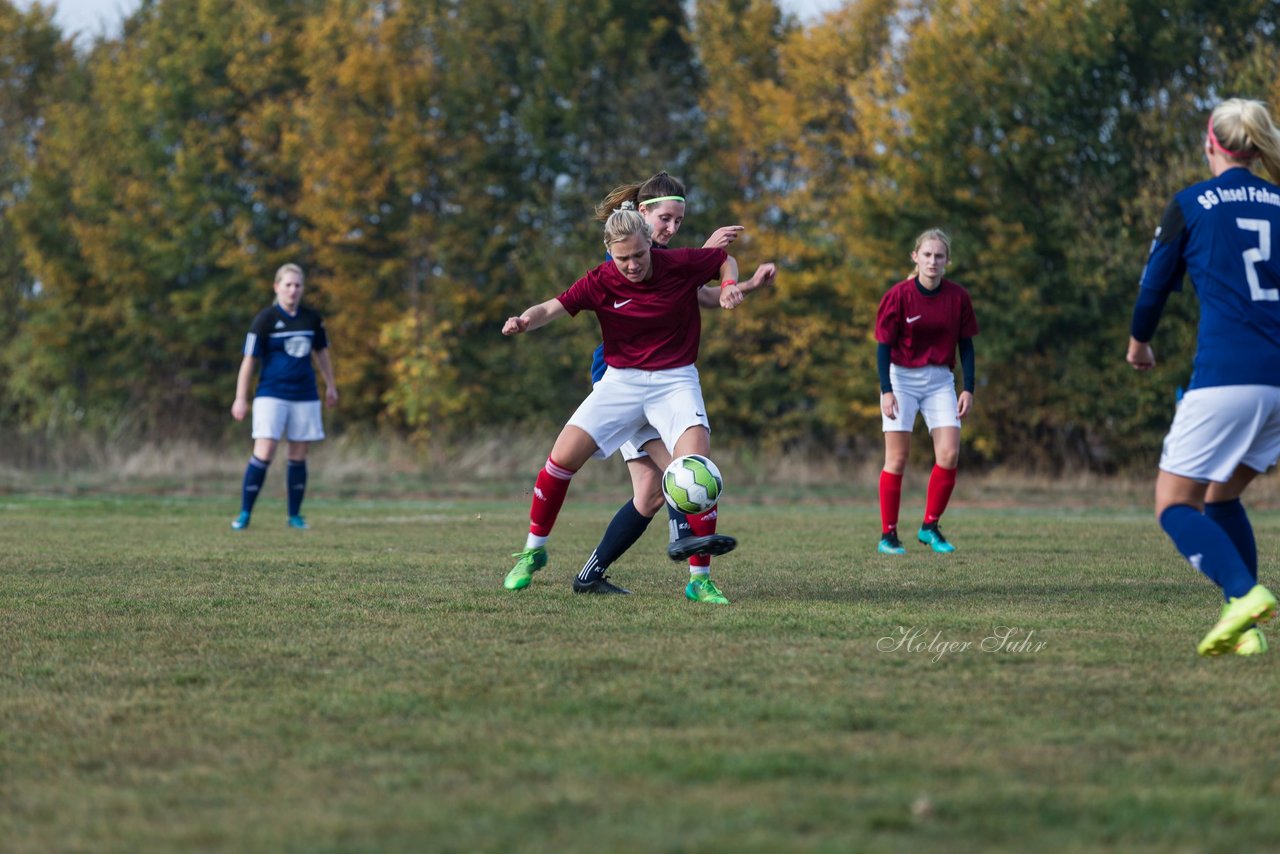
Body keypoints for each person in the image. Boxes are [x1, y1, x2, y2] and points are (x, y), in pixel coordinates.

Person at [502, 208, 776, 604]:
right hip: (621, 382)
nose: (631, 265)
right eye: (622, 258)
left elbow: (721, 259)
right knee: (559, 462)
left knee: (697, 470)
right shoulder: (601, 280)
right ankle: (533, 551)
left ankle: (699, 580)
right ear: (609, 252)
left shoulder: (677, 263)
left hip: (675, 380)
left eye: (638, 256)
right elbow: (551, 307)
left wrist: (734, 283)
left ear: (650, 243)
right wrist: (524, 321)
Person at [1126, 97, 1280, 657]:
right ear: (1256, 145)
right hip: (1277, 381)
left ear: (1210, 141)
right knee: (1220, 496)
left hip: (1227, 377)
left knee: (1173, 504)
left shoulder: (1191, 203)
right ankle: (1246, 627)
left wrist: (1139, 343)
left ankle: (1242, 595)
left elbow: (1152, 290)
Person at [574, 172, 747, 596]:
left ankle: (589, 576)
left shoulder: (663, 260)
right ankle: (694, 568)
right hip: (624, 383)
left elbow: (696, 291)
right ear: (643, 215)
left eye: (678, 222)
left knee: (650, 494)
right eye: (665, 219)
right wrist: (710, 259)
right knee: (688, 469)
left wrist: (735, 284)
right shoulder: (631, 255)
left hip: (660, 381)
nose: (671, 229)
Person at [874, 228, 978, 555]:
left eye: (939, 256)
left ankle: (930, 526)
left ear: (947, 261)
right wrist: (887, 390)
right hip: (900, 378)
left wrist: (969, 388)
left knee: (948, 454)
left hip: (940, 380)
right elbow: (883, 347)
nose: (933, 261)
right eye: (927, 254)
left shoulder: (958, 297)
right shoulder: (898, 295)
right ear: (915, 257)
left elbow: (967, 346)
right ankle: (888, 535)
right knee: (898, 458)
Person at [230, 263, 338, 530]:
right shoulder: (265, 319)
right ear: (277, 287)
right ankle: (244, 514)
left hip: (305, 395)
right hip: (271, 394)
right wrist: (240, 398)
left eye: (297, 285)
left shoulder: (312, 319)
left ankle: (294, 516)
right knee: (264, 451)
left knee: (298, 455)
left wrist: (331, 386)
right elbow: (248, 361)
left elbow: (322, 354)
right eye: (288, 285)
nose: (293, 290)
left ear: (302, 288)